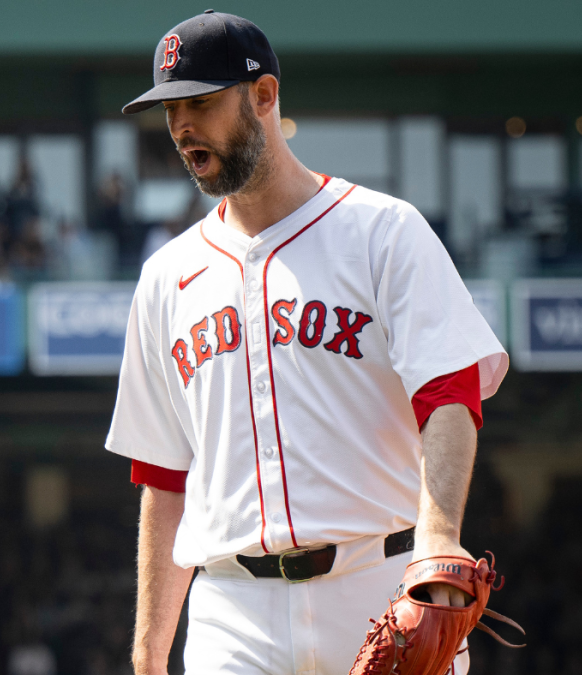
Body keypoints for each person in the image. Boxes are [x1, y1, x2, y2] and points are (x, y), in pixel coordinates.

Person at [104, 12, 507, 675]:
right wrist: (149, 654)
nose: (181, 128)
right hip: (232, 608)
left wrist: (437, 540)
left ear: (263, 97)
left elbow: (451, 397)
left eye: (199, 103)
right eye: (171, 109)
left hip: (377, 583)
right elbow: (162, 476)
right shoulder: (165, 277)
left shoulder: (382, 232)